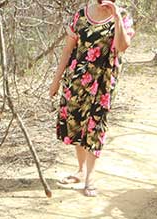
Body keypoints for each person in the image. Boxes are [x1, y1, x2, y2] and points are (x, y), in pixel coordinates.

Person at [49, 0, 134, 197]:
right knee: (76, 124)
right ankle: (80, 170)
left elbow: (122, 46)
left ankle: (90, 178)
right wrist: (56, 81)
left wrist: (116, 17)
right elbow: (68, 50)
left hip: (103, 84)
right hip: (76, 81)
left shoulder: (123, 17)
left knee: (95, 127)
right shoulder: (81, 15)